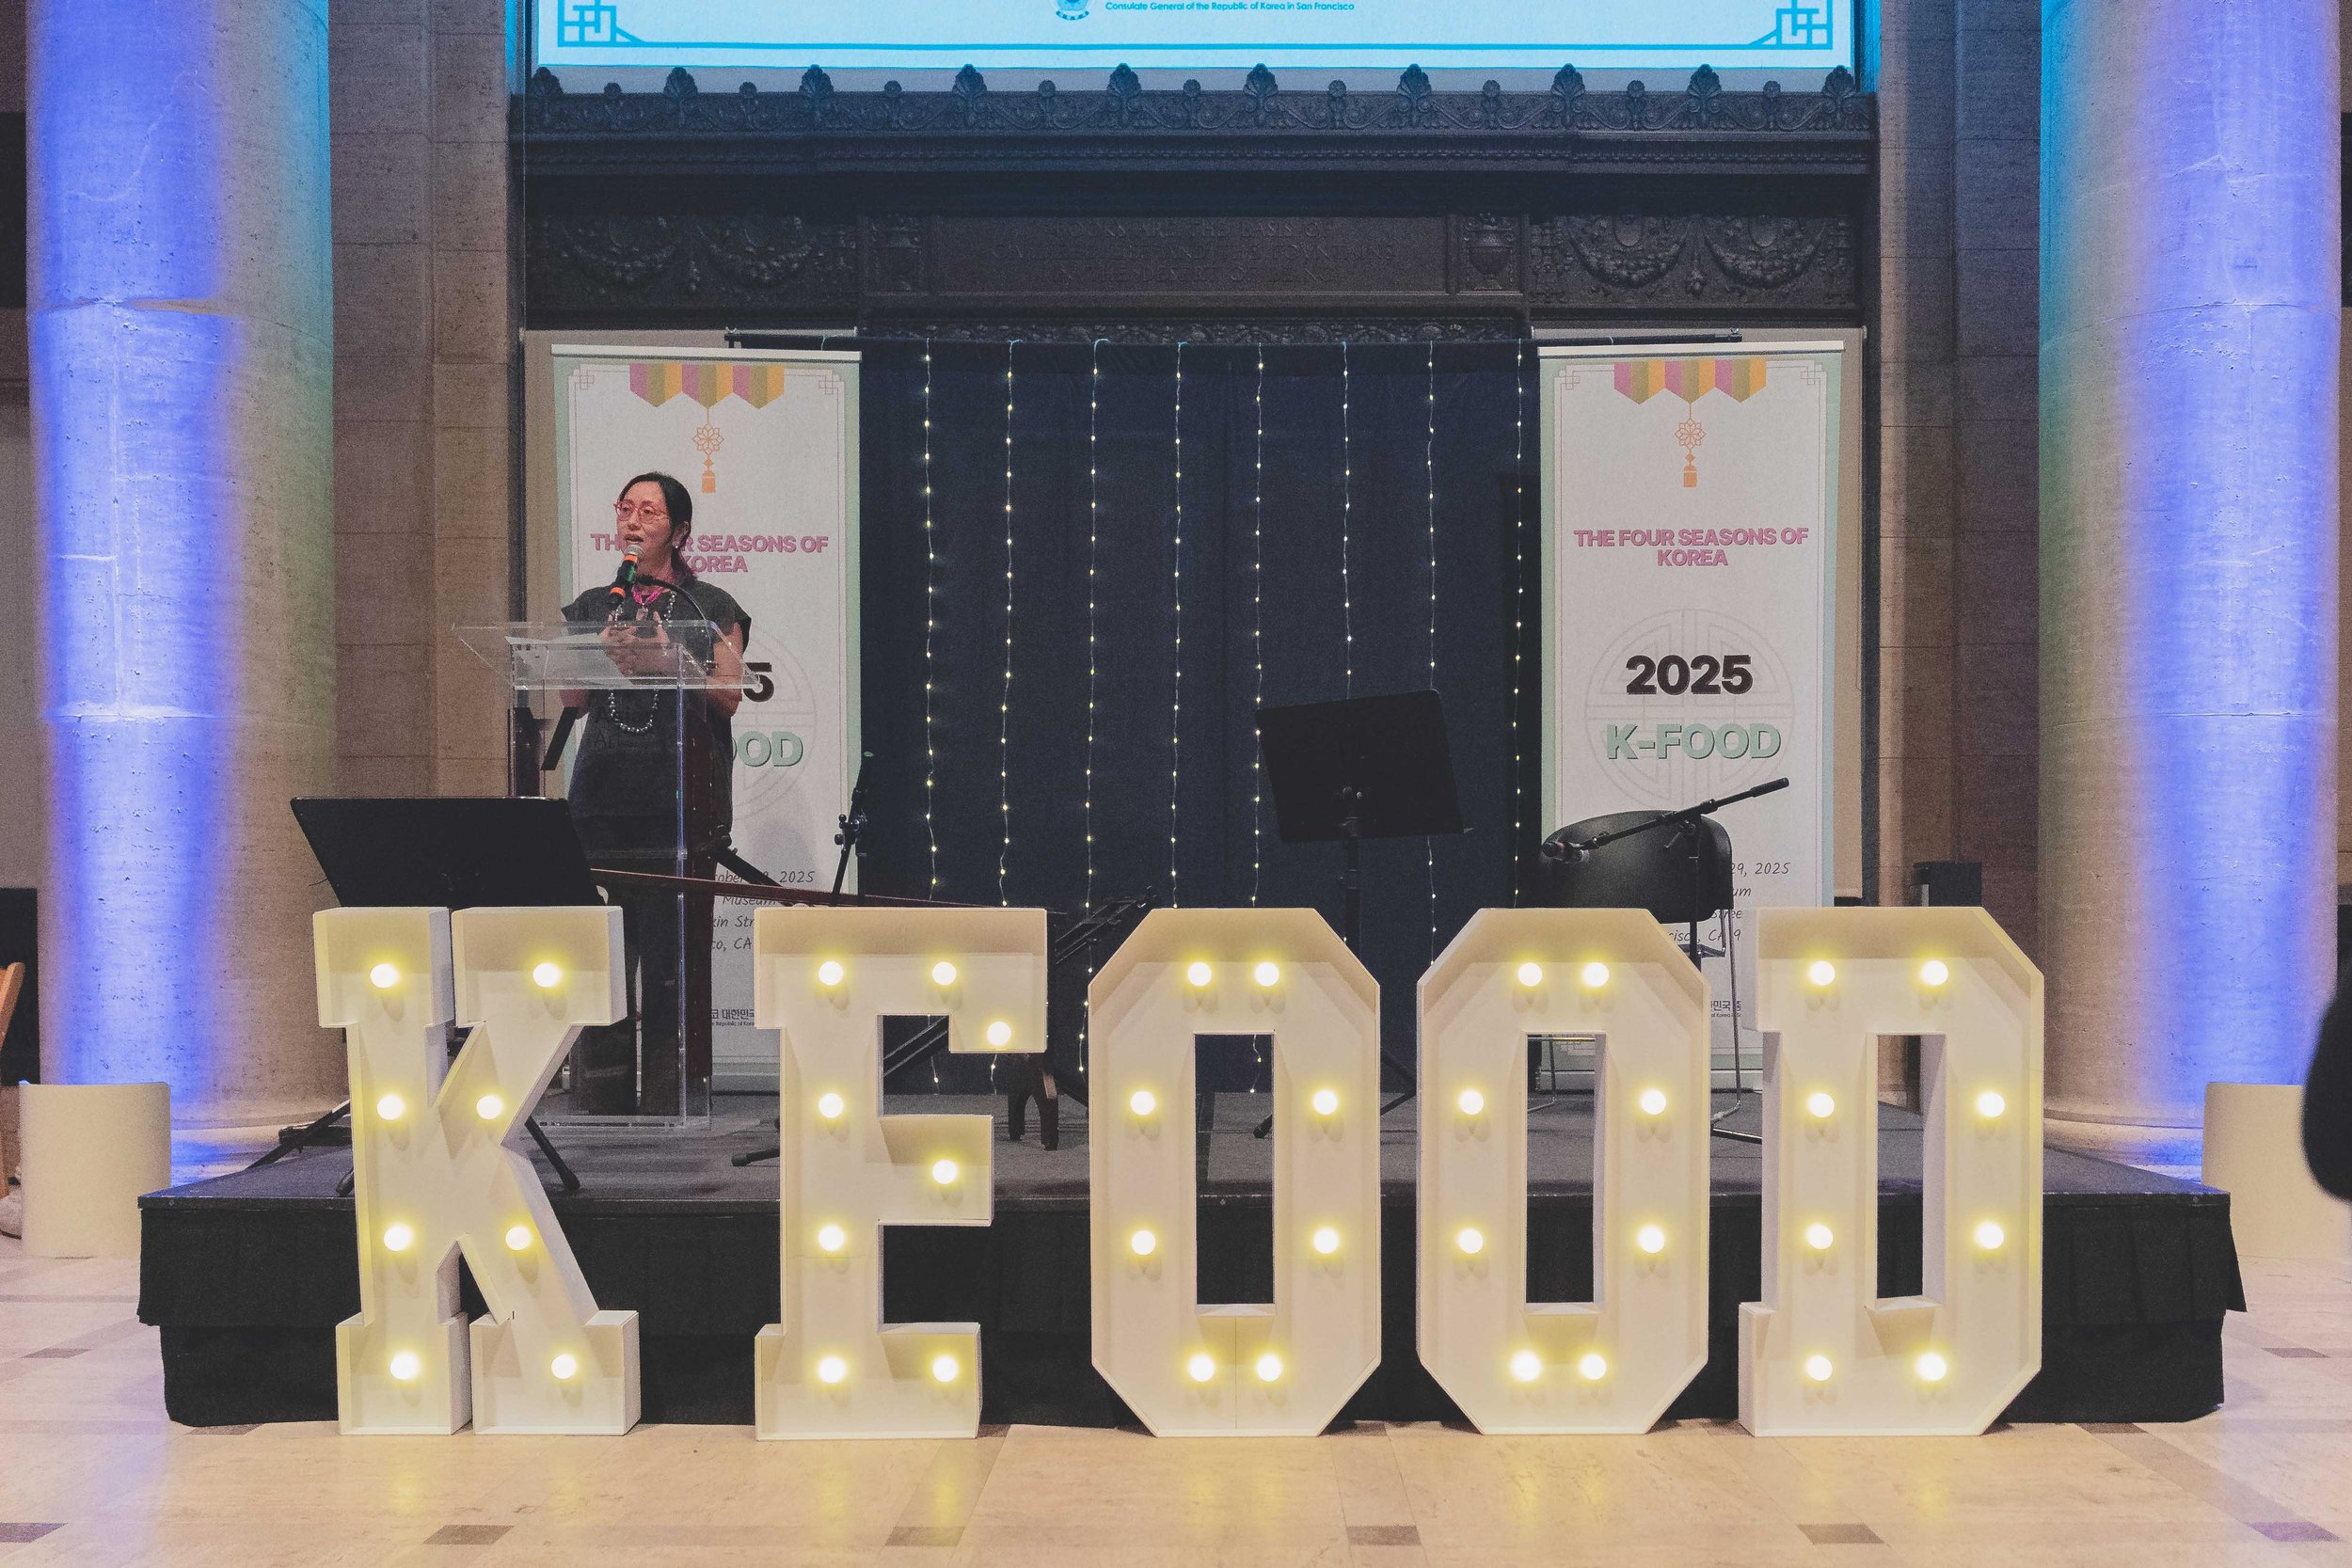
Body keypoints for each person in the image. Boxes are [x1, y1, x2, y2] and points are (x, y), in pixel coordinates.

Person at [560, 471, 750, 1114]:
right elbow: (572, 697)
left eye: (649, 510)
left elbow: (729, 694)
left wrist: (675, 662)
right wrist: (594, 655)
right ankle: (602, 1104)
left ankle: (673, 1103)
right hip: (601, 802)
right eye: (625, 508)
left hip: (679, 804)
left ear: (680, 530)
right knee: (601, 964)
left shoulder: (710, 604)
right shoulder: (593, 605)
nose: (633, 520)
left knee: (670, 968)